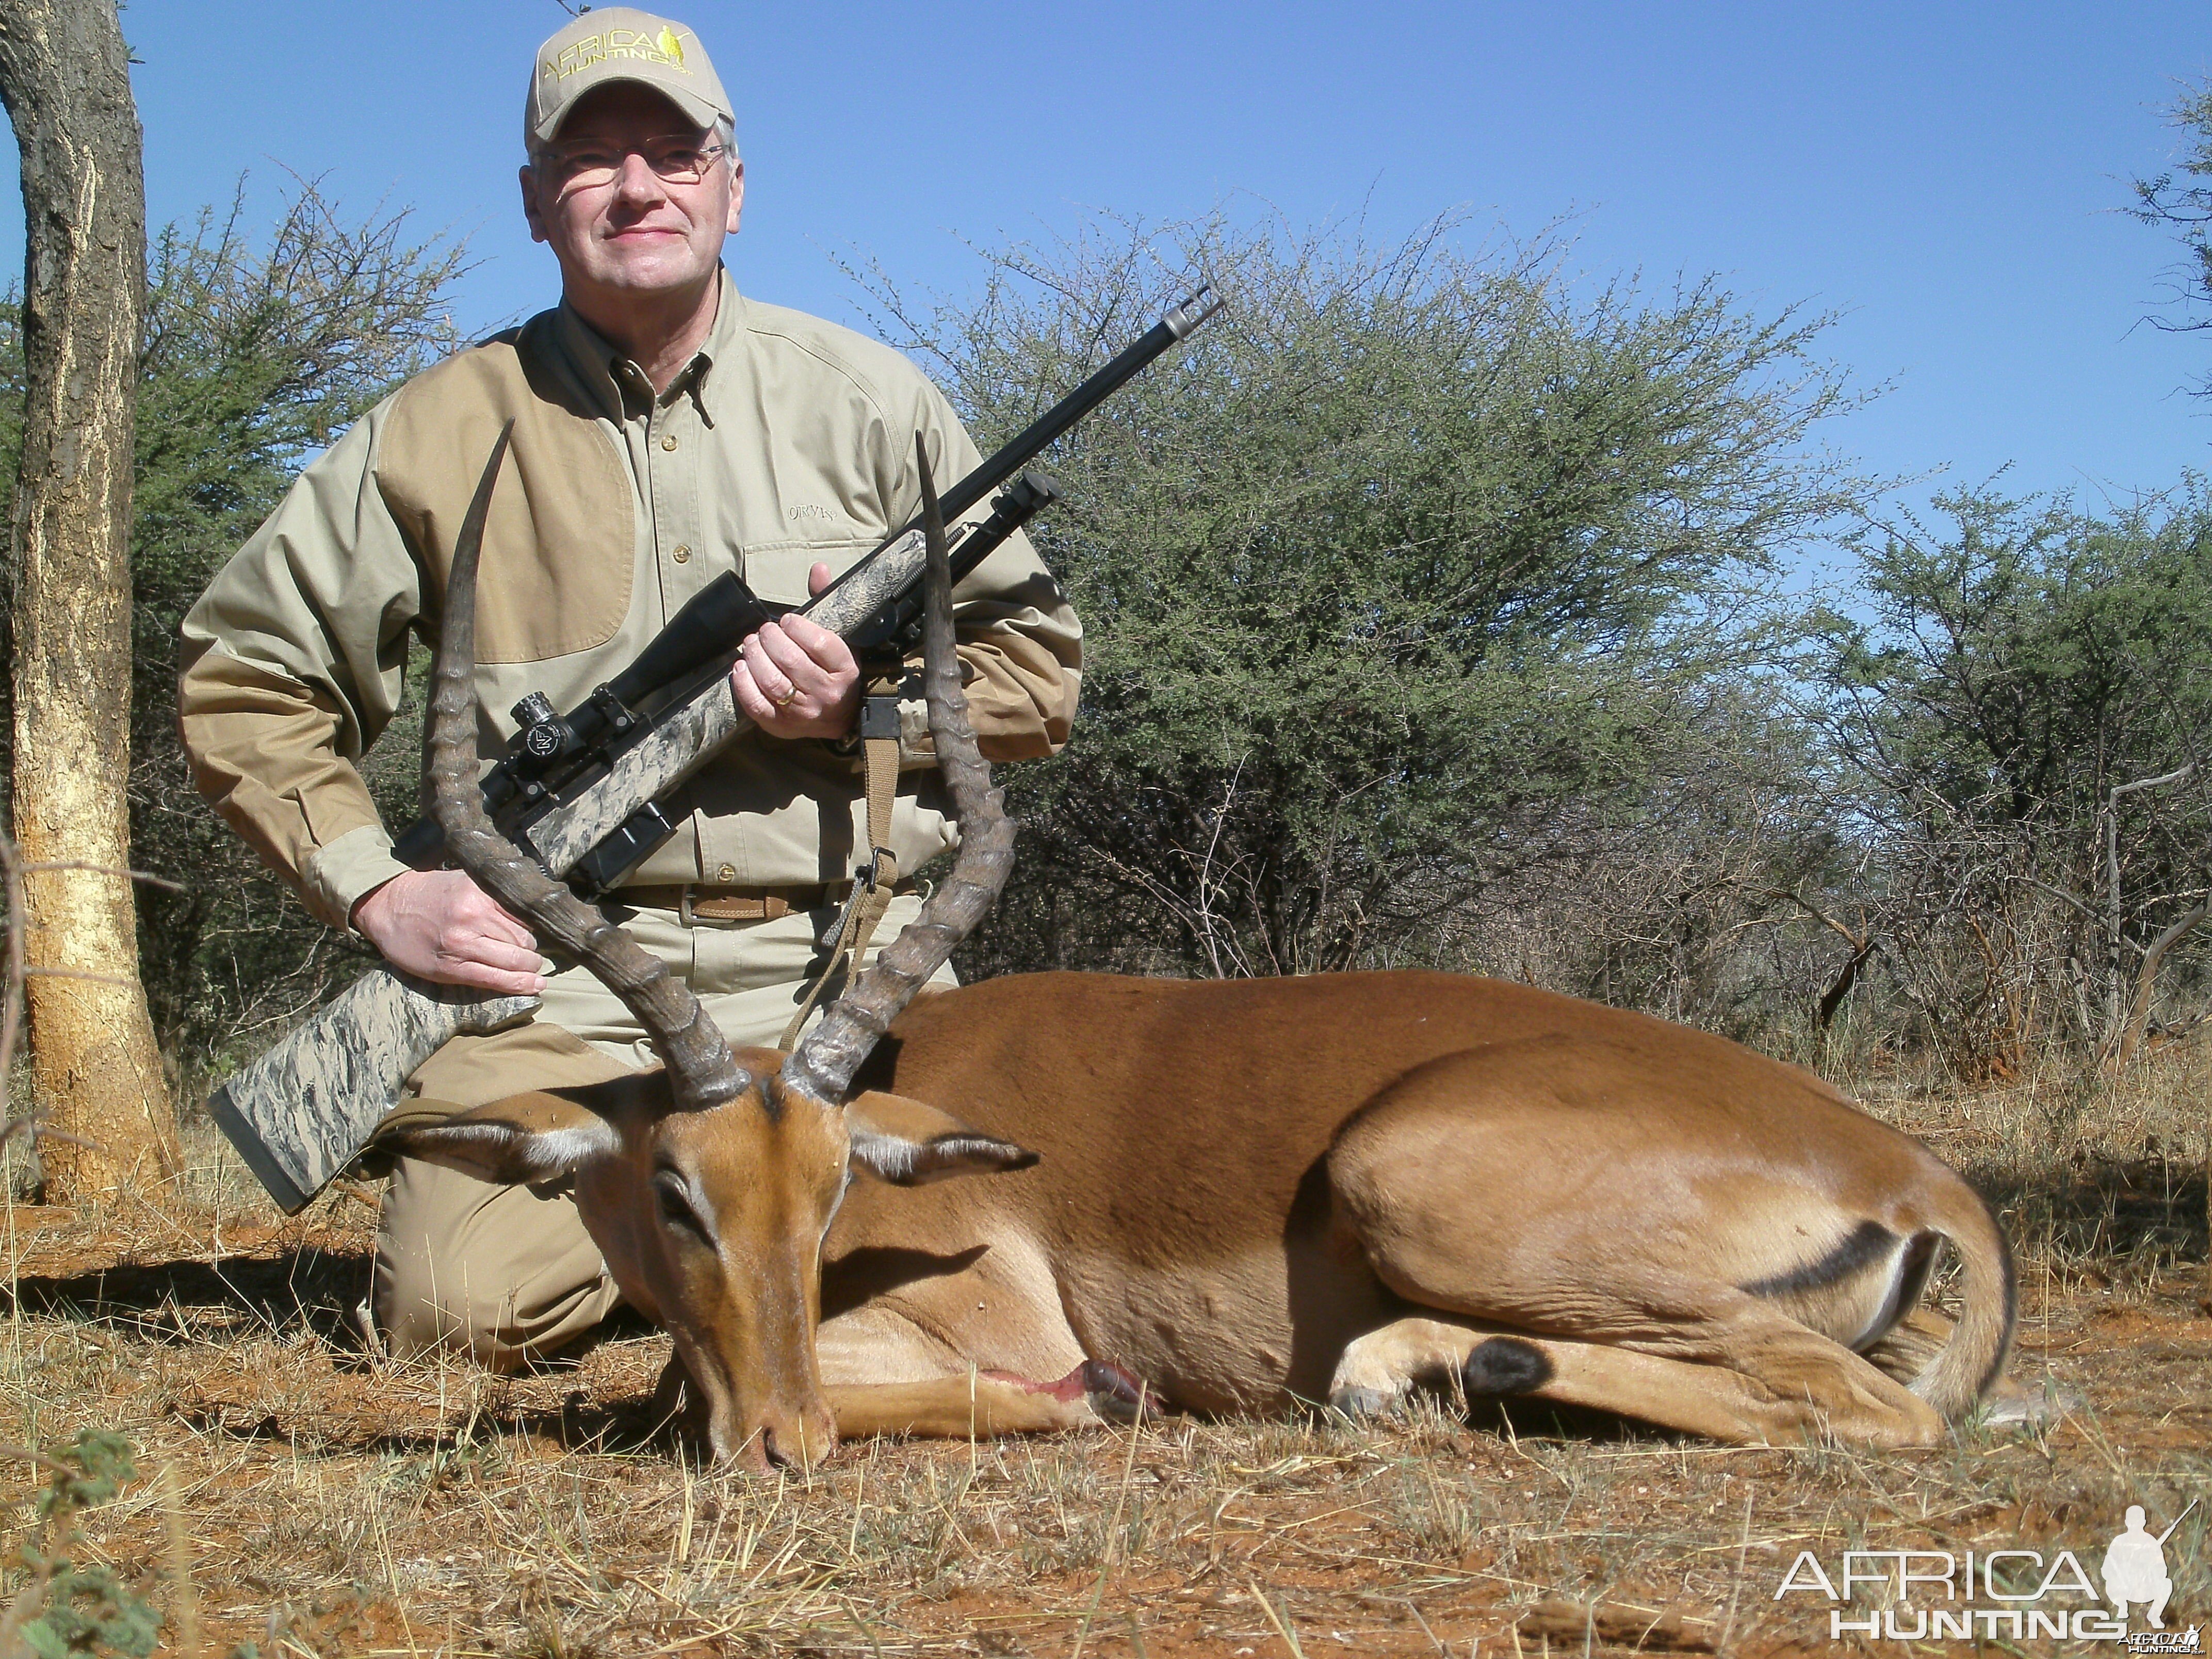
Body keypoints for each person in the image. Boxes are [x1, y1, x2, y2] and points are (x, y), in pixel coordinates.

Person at [177, 9, 1080, 1369]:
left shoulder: (878, 403)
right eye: (594, 158)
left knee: (992, 1250)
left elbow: (1038, 678)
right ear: (538, 201)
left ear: (734, 183)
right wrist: (378, 885)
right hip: (559, 980)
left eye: (675, 151)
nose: (640, 186)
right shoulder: (436, 428)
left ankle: (719, 1271)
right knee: (452, 1320)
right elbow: (246, 674)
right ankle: (739, 1270)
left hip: (843, 960)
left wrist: (859, 711)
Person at [2102, 1506, 2174, 1627]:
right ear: (2126, 1523)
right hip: (2124, 1589)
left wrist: (2148, 1566)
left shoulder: (2151, 1542)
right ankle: (2122, 1607)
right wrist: (2125, 1570)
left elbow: (2162, 1571)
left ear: (2144, 1522)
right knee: (2111, 1583)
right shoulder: (2119, 1542)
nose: (2135, 1525)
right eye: (2132, 1521)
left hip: (2145, 1589)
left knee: (2167, 1584)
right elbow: (2107, 1570)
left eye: (2138, 1521)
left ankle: (2155, 1615)